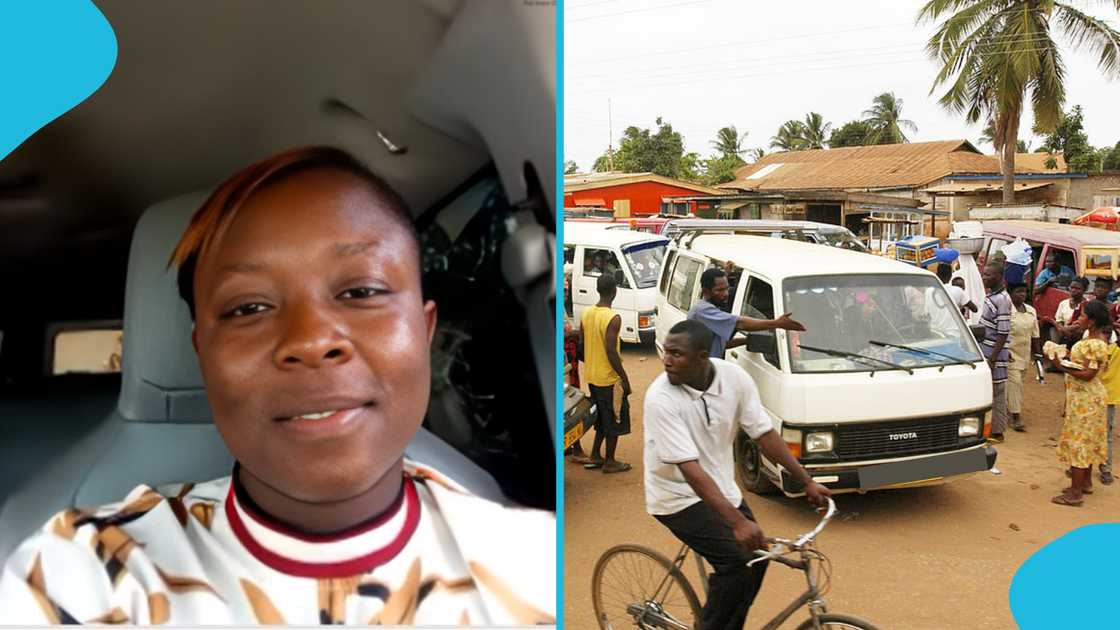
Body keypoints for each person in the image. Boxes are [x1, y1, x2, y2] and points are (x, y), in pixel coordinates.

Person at [0, 147, 555, 625]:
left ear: (424, 331)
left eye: (362, 291)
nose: (312, 340)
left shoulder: (538, 564)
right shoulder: (85, 572)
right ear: (204, 356)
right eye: (250, 307)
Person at [644, 320, 830, 630]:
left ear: (702, 357)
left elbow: (764, 433)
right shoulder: (660, 399)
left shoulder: (733, 378)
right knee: (734, 564)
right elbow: (690, 469)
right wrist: (737, 521)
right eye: (667, 351)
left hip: (719, 488)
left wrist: (806, 480)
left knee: (758, 559)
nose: (666, 359)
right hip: (676, 497)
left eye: (677, 354)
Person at [1052, 300, 1112, 506]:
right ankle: (1085, 483)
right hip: (1086, 398)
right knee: (1087, 440)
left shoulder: (1096, 344)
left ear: (1093, 321)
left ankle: (1075, 492)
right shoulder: (1092, 340)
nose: (1079, 318)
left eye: (1083, 315)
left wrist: (1062, 366)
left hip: (1086, 399)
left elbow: (1088, 374)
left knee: (1080, 442)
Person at [578, 274, 633, 474]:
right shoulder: (612, 318)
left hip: (592, 376)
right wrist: (624, 378)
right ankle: (609, 461)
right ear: (614, 291)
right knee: (614, 418)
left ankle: (595, 455)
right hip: (608, 378)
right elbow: (611, 351)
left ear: (598, 289)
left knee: (601, 416)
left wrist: (592, 362)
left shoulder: (586, 313)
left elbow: (582, 345)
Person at [687, 267, 804, 360]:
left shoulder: (711, 309)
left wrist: (747, 341)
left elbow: (718, 344)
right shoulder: (702, 310)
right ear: (706, 291)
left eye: (727, 288)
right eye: (720, 290)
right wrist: (777, 323)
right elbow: (739, 323)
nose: (726, 293)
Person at [981, 263, 1013, 443]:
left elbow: (1003, 331)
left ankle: (997, 431)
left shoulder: (1002, 299)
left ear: (1000, 276)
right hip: (988, 349)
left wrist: (993, 357)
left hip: (994, 353)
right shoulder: (992, 296)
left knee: (997, 392)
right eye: (984, 274)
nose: (985, 277)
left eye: (989, 275)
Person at [1006, 283, 1041, 432]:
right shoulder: (1007, 310)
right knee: (1015, 383)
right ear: (1011, 294)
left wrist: (1038, 354)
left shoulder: (1031, 311)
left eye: (1024, 292)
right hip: (1010, 354)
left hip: (1024, 354)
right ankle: (1015, 416)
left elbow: (1036, 334)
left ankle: (1009, 408)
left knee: (1018, 384)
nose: (1022, 295)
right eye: (1018, 291)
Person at [1096, 337, 1120, 485]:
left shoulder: (1115, 349)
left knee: (1107, 434)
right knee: (1089, 431)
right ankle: (1082, 466)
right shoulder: (1095, 347)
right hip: (1093, 395)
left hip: (1109, 396)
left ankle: (1106, 468)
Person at [927, 264, 977, 334]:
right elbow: (975, 309)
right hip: (952, 334)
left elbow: (927, 313)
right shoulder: (958, 290)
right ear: (950, 276)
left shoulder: (928, 291)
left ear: (937, 274)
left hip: (935, 333)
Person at [1054, 277, 1090, 348]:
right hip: (1064, 339)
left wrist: (1067, 329)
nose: (1073, 290)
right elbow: (1059, 321)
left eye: (1077, 288)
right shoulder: (1063, 303)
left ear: (1085, 290)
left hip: (1081, 341)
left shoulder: (1088, 305)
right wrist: (1063, 330)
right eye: (1072, 287)